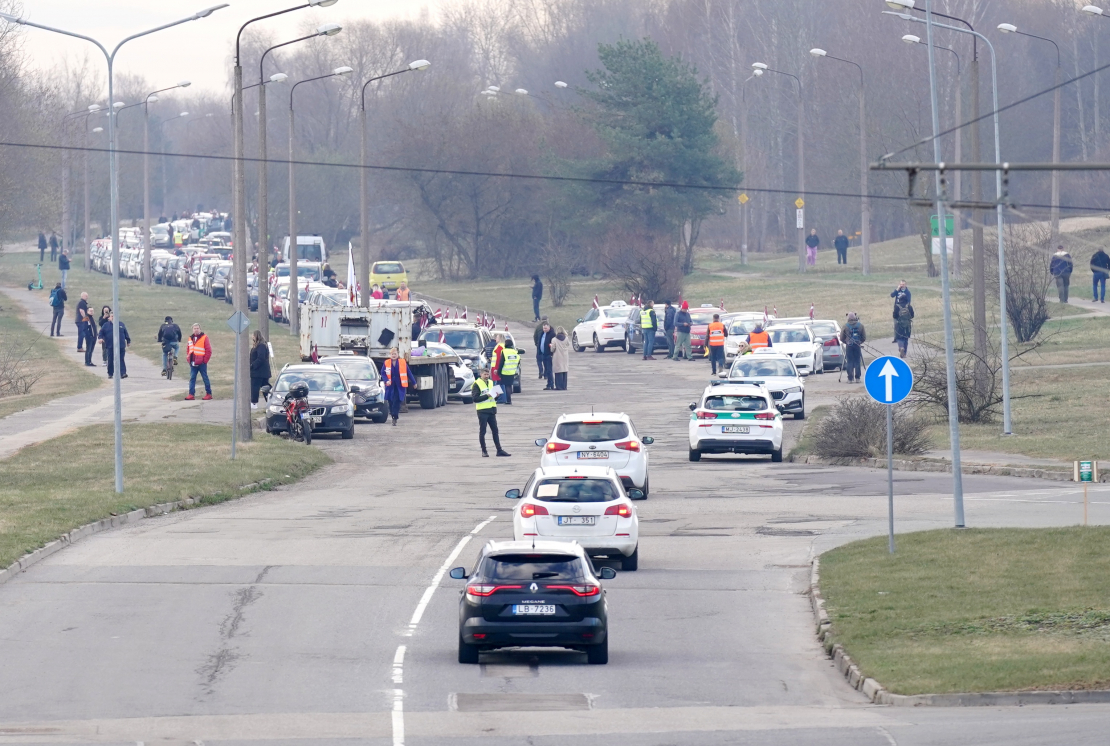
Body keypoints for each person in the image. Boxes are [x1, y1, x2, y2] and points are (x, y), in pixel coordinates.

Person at [472, 366, 510, 457]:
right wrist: (487, 395)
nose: (486, 376)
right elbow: (475, 399)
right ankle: (484, 451)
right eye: (484, 374)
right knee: (483, 431)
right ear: (480, 375)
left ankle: (499, 450)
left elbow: (492, 396)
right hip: (482, 411)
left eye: (487, 374)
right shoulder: (477, 384)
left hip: (491, 410)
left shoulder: (491, 382)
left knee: (495, 431)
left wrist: (496, 395)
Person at [381, 347, 415, 425]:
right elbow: (383, 373)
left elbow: (409, 373)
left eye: (395, 354)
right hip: (390, 386)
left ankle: (394, 417)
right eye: (392, 354)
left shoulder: (402, 362)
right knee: (390, 401)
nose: (393, 355)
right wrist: (386, 380)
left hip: (399, 386)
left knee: (397, 400)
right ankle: (393, 414)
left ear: (397, 354)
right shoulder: (386, 363)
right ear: (390, 355)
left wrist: (414, 382)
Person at [97, 313, 131, 379]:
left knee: (121, 359)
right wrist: (100, 338)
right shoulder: (106, 325)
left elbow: (125, 333)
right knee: (110, 360)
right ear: (109, 318)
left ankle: (123, 373)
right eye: (112, 316)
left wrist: (128, 341)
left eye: (115, 316)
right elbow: (101, 333)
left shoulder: (121, 324)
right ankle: (110, 373)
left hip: (120, 345)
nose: (113, 317)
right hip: (110, 345)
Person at [185, 323, 213, 400]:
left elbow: (209, 350)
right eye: (194, 328)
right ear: (192, 329)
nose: (196, 329)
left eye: (197, 328)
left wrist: (204, 361)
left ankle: (209, 393)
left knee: (205, 378)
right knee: (192, 378)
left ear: (200, 329)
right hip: (193, 363)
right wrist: (188, 358)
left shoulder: (204, 337)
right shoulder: (190, 338)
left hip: (201, 363)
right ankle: (191, 394)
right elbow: (188, 349)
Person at [840, 312, 866, 383]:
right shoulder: (860, 326)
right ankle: (858, 378)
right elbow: (864, 337)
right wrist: (859, 342)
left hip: (849, 346)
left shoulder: (845, 326)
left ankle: (850, 379)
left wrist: (847, 342)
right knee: (857, 361)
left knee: (850, 362)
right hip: (857, 345)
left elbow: (841, 338)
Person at [249, 331, 271, 410]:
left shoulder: (261, 346)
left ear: (256, 336)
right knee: (265, 387)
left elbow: (261, 358)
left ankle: (254, 403)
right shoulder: (258, 345)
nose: (252, 337)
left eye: (253, 335)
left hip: (259, 372)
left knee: (255, 387)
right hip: (260, 372)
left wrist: (252, 365)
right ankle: (270, 401)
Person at [497, 339, 521, 404]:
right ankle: (509, 400)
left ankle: (508, 400)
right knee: (509, 386)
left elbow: (501, 362)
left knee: (506, 386)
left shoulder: (504, 351)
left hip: (505, 371)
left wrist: (498, 372)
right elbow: (518, 361)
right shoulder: (515, 352)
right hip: (512, 371)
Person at [894, 294, 914, 359]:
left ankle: (901, 347)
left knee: (899, 338)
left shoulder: (897, 306)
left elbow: (894, 316)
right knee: (906, 338)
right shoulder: (909, 306)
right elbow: (912, 315)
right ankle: (904, 353)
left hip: (899, 324)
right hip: (907, 325)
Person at [537, 321, 555, 389]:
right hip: (543, 354)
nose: (545, 330)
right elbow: (539, 342)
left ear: (549, 327)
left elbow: (553, 344)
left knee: (549, 370)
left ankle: (551, 384)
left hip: (549, 354)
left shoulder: (552, 334)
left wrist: (551, 353)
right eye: (544, 328)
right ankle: (549, 384)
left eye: (546, 328)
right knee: (546, 370)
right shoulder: (542, 333)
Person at [490, 334, 506, 402]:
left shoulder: (499, 347)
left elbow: (498, 359)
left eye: (497, 337)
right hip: (497, 367)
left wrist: (496, 368)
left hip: (496, 367)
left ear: (500, 338)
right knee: (499, 383)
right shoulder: (502, 346)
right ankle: (501, 398)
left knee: (499, 383)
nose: (495, 339)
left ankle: (501, 398)